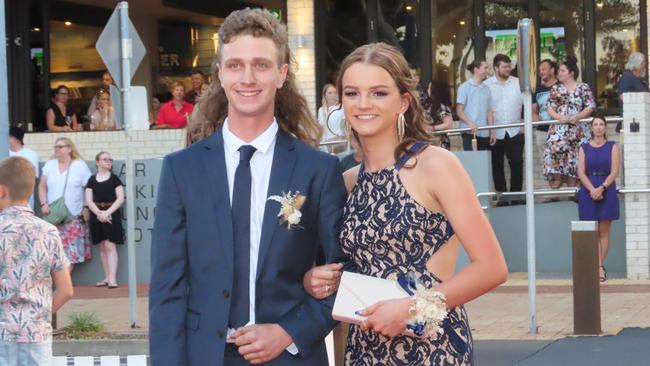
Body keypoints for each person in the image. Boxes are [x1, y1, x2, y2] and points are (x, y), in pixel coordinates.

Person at [150, 8, 347, 366]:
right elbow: (167, 289)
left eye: (261, 64)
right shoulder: (181, 170)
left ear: (281, 74)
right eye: (236, 65)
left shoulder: (318, 169)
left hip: (291, 356)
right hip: (204, 357)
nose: (248, 78)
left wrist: (288, 331)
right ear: (221, 75)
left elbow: (343, 276)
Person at [303, 42, 507, 365]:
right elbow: (354, 266)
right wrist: (315, 280)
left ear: (403, 101)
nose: (363, 103)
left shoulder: (435, 165)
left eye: (379, 93)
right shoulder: (348, 180)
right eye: (352, 93)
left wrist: (411, 309)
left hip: (431, 350)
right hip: (364, 349)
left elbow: (492, 268)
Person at [0, 156, 73, 366]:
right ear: (31, 189)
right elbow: (66, 290)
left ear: (1, 190)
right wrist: (39, 315)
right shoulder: (48, 232)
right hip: (37, 335)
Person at [577, 116, 620, 282]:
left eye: (602, 124)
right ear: (591, 128)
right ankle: (598, 267)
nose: (599, 127)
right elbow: (581, 171)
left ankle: (599, 267)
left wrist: (601, 188)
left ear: (605, 128)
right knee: (591, 232)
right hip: (588, 189)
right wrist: (592, 190)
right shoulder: (584, 147)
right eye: (596, 124)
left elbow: (615, 171)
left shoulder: (612, 146)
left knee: (603, 231)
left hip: (606, 188)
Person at [38, 137, 92, 269]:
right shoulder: (50, 165)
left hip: (72, 216)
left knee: (71, 255)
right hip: (53, 217)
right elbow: (42, 186)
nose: (57, 149)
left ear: (69, 149)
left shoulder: (80, 166)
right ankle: (59, 286)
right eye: (56, 147)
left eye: (60, 147)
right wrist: (43, 204)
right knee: (52, 253)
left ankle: (62, 287)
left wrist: (86, 206)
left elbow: (89, 188)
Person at [546, 56, 596, 188]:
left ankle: (573, 188)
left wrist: (579, 116)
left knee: (577, 156)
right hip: (560, 127)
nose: (559, 73)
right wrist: (559, 117)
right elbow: (550, 107)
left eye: (562, 70)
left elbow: (590, 105)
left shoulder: (583, 87)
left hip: (578, 128)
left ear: (571, 73)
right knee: (555, 149)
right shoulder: (556, 89)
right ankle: (557, 179)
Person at [486, 54, 524, 200]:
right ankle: (501, 198)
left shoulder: (518, 83)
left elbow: (527, 104)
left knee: (517, 164)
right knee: (497, 166)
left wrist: (524, 124)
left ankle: (515, 198)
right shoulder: (487, 85)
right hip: (495, 132)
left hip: (516, 130)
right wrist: (490, 131)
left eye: (509, 66)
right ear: (496, 68)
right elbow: (485, 109)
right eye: (504, 66)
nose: (508, 69)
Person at [85, 152, 124, 289]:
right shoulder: (91, 179)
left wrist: (107, 212)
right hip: (97, 216)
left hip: (111, 215)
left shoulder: (114, 179)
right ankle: (107, 277)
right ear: (97, 162)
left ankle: (113, 279)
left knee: (110, 245)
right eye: (105, 159)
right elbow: (88, 199)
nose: (108, 161)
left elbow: (120, 198)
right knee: (102, 246)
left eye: (110, 159)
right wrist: (98, 213)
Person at [456, 60, 494, 151]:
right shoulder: (464, 87)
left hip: (484, 132)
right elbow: (459, 110)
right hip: (469, 132)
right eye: (485, 68)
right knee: (472, 161)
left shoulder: (487, 89)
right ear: (476, 69)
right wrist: (470, 123)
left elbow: (489, 112)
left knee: (483, 162)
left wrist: (492, 132)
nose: (487, 71)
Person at [533, 59, 559, 178]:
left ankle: (564, 190)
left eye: (544, 69)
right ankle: (551, 193)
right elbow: (534, 110)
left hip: (559, 131)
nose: (541, 72)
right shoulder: (538, 89)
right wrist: (535, 122)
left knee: (559, 160)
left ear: (552, 70)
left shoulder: (561, 87)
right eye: (539, 70)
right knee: (546, 162)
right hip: (541, 131)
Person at [8, 126, 39, 209]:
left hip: (25, 199)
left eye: (9, 136)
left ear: (17, 139)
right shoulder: (4, 152)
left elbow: (33, 176)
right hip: (6, 198)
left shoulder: (30, 154)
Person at [617, 52, 649, 117]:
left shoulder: (640, 80)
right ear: (637, 65)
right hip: (632, 121)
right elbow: (623, 98)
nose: (644, 67)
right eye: (643, 64)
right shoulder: (627, 78)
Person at [317, 83, 346, 153]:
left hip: (338, 144)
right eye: (330, 93)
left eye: (335, 92)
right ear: (325, 95)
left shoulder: (341, 108)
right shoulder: (321, 110)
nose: (333, 94)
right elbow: (320, 128)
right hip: (324, 145)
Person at [427, 80, 454, 150]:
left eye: (429, 88)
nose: (428, 90)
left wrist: (433, 128)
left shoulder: (442, 107)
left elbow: (448, 124)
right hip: (430, 141)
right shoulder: (430, 105)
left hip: (440, 142)